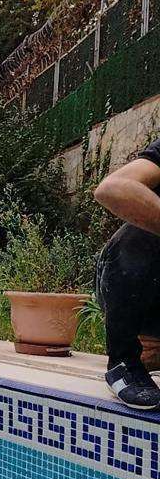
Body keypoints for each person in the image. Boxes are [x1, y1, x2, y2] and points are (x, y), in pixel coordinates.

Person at [94, 138, 160, 409]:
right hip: (134, 285)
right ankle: (123, 361)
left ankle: (151, 355)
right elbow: (113, 188)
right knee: (140, 233)